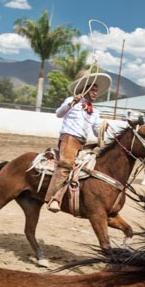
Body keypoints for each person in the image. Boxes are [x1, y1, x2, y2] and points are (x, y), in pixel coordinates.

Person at [47, 71, 111, 212]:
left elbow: (95, 130)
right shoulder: (71, 101)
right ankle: (55, 198)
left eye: (96, 91)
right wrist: (71, 104)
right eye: (93, 90)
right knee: (66, 164)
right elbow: (59, 114)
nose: (95, 93)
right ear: (85, 89)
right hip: (68, 139)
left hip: (82, 143)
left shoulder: (94, 111)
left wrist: (102, 128)